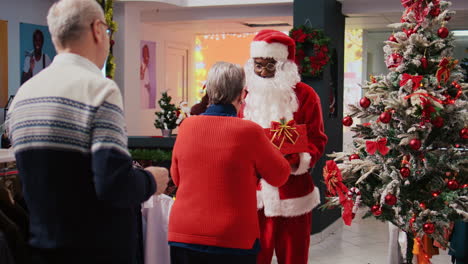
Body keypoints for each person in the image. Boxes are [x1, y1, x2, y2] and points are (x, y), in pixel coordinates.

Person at [5, 0, 168, 263]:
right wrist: (150, 180)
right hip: (97, 250)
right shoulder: (98, 90)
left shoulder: (24, 95)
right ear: (96, 28)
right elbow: (114, 185)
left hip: (42, 249)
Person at [168, 61, 291, 264]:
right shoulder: (250, 131)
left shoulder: (187, 126)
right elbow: (280, 175)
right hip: (232, 237)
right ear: (242, 94)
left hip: (183, 233)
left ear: (209, 90)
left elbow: (177, 177)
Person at [241, 29, 328, 264]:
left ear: (283, 65)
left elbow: (317, 138)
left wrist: (299, 159)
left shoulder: (305, 95)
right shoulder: (245, 96)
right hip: (254, 196)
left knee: (294, 258)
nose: (262, 72)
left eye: (269, 66)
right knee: (254, 258)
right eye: (257, 65)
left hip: (294, 195)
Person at [140, 44, 153, 108]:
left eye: (147, 53)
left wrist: (149, 86)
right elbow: (141, 77)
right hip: (142, 91)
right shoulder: (141, 65)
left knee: (146, 106)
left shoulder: (146, 66)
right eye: (144, 53)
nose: (146, 55)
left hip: (146, 91)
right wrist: (145, 66)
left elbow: (147, 80)